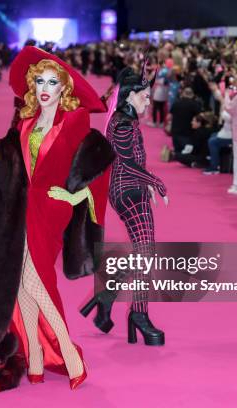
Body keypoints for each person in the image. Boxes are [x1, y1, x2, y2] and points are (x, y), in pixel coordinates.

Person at [0, 46, 113, 392]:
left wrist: (74, 195)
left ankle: (69, 354)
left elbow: (99, 167)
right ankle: (35, 358)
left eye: (52, 81)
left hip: (52, 209)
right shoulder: (26, 122)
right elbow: (7, 162)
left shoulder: (75, 121)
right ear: (32, 87)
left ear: (64, 87)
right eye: (39, 81)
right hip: (22, 206)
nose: (45, 88)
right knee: (21, 283)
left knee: (36, 282)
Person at [81, 64, 168, 345]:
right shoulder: (121, 123)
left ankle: (109, 297)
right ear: (130, 95)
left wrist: (148, 183)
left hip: (132, 189)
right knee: (146, 252)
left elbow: (133, 162)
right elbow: (127, 164)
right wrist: (155, 181)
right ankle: (138, 314)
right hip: (127, 191)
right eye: (144, 95)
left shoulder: (126, 119)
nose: (148, 100)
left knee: (145, 251)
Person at [169, 87, 201, 154]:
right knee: (186, 152)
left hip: (175, 131)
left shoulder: (176, 103)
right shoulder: (195, 105)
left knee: (177, 152)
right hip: (187, 133)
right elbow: (199, 118)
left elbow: (169, 116)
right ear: (192, 95)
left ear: (183, 94)